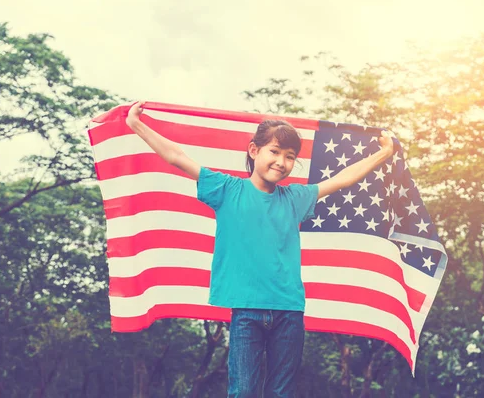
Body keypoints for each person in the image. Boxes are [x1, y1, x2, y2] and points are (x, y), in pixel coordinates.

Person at [125, 101, 394, 397]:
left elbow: (342, 179)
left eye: (290, 157)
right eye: (275, 152)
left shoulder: (295, 198)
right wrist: (136, 124)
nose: (281, 162)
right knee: (243, 391)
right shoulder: (227, 190)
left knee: (281, 392)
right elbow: (176, 157)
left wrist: (384, 153)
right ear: (254, 151)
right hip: (246, 312)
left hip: (289, 312)